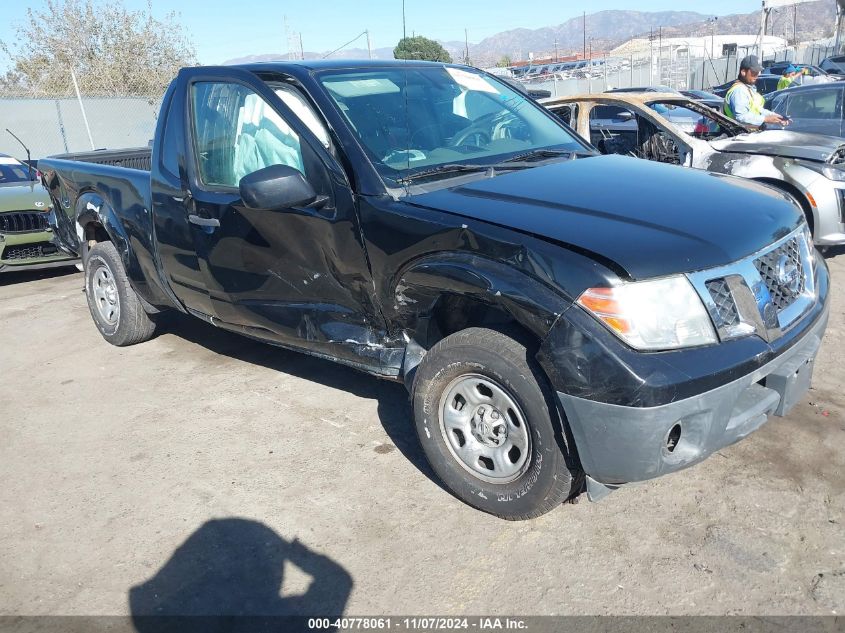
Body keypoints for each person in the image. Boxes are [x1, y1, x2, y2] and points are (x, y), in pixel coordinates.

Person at [723, 55, 790, 127]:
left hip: (746, 133)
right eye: (753, 72)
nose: (757, 75)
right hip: (736, 135)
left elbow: (759, 110)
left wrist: (777, 117)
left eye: (758, 72)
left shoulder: (748, 89)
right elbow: (741, 117)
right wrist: (765, 119)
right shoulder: (739, 90)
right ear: (743, 72)